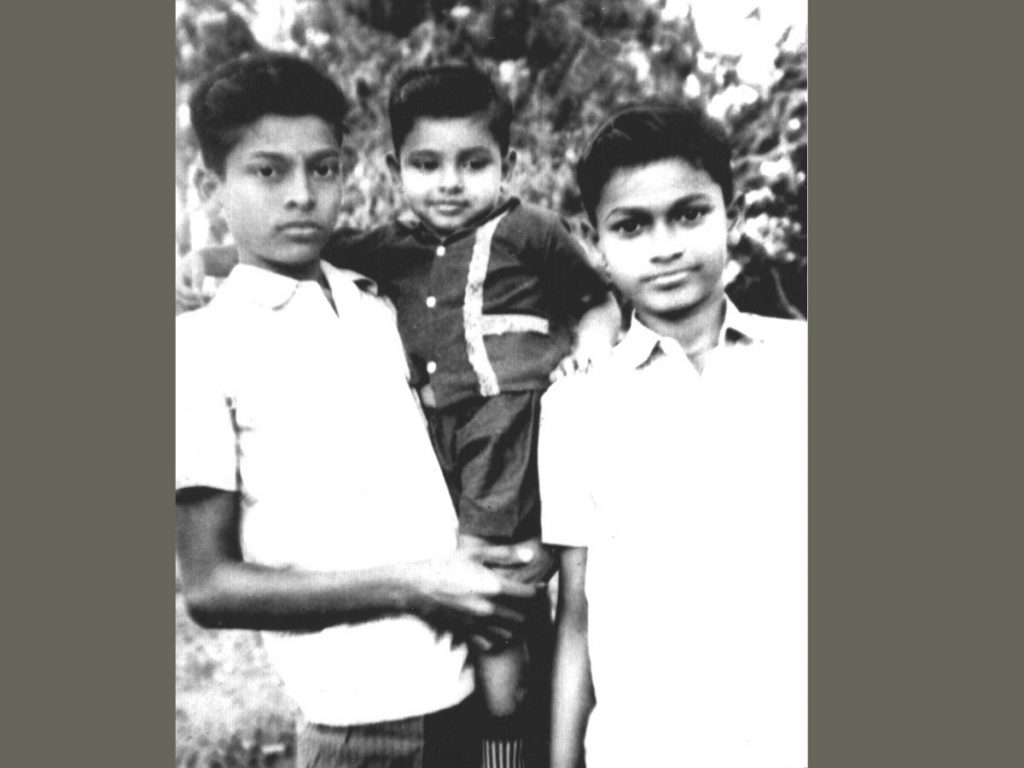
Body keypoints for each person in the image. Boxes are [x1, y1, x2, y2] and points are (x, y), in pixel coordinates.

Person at [179, 63, 622, 768]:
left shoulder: (381, 296)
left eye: (324, 168)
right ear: (211, 188)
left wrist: (530, 542)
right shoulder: (199, 348)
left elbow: (517, 395)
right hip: (368, 724)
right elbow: (209, 589)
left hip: (489, 678)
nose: (302, 195)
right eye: (268, 172)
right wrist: (420, 583)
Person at [541, 102, 808, 768]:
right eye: (631, 225)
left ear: (733, 216)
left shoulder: (804, 362)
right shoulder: (576, 405)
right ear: (595, 242)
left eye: (689, 215)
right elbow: (577, 614)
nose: (664, 247)